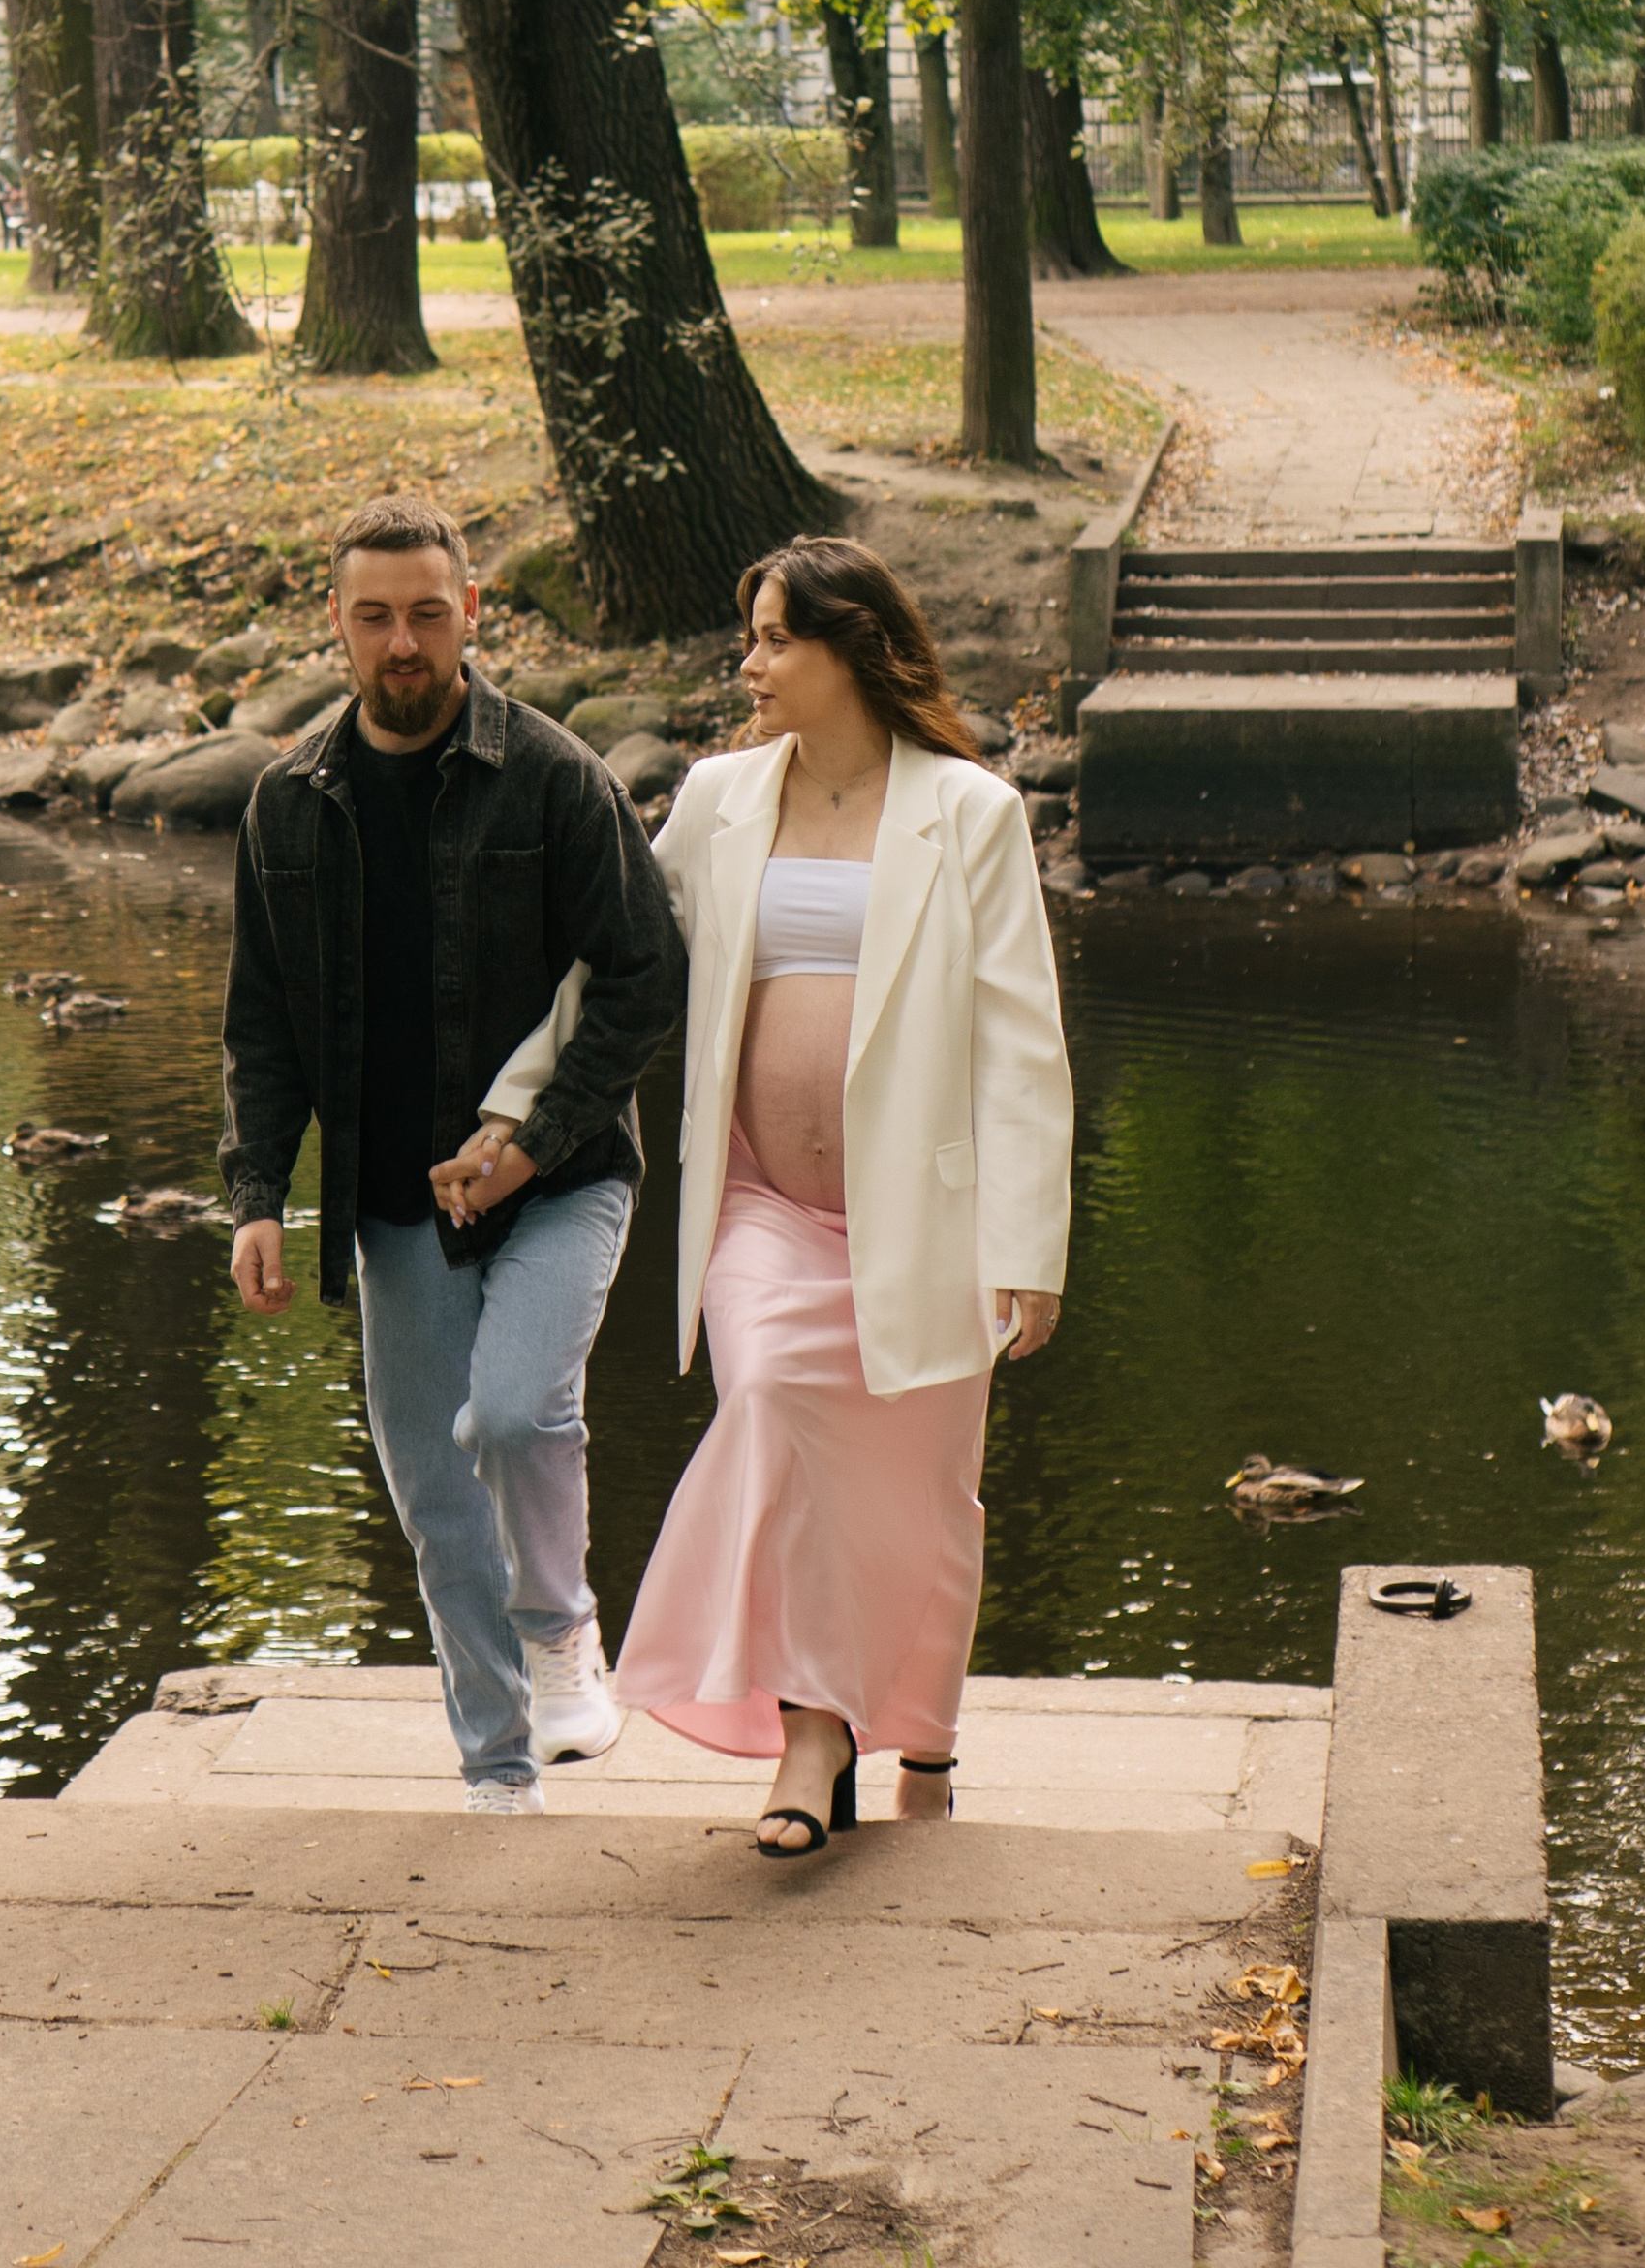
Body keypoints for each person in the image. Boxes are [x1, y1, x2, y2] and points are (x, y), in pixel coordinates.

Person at [220, 493, 689, 1809]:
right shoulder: (286, 805)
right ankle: (498, 1771)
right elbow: (263, 1023)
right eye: (374, 617)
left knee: (518, 1410)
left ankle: (564, 1630)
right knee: (436, 1497)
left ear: (471, 612)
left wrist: (533, 1140)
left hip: (562, 1181)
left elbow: (648, 975)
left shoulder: (555, 776)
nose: (403, 643)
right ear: (336, 622)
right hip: (391, 1206)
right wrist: (257, 1193)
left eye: (428, 614)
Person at [614, 534, 1071, 1857]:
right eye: (750, 638)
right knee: (770, 1401)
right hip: (760, 1206)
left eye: (774, 640)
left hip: (927, 1222)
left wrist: (1028, 1246)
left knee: (922, 1497)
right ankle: (812, 1735)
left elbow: (1022, 1044)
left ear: (851, 649)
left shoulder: (970, 814)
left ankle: (923, 1738)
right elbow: (620, 965)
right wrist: (511, 1107)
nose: (749, 666)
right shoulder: (717, 799)